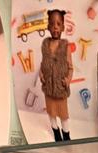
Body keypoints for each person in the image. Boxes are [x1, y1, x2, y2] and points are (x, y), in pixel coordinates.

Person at [41, 10, 74, 141]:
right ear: (48, 26)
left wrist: (68, 80)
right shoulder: (45, 44)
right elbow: (42, 63)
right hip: (48, 87)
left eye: (58, 24)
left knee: (63, 114)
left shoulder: (65, 46)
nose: (55, 27)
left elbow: (70, 67)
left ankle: (66, 134)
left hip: (60, 88)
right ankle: (56, 132)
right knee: (51, 112)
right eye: (52, 24)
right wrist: (41, 74)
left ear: (63, 27)